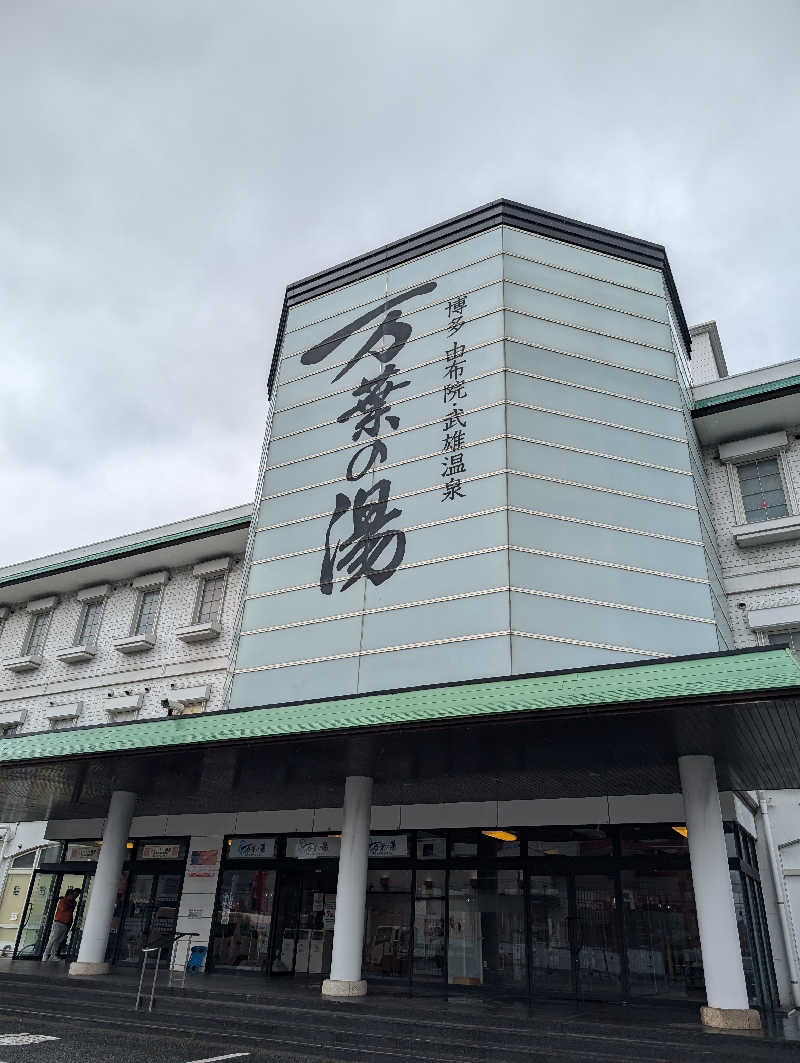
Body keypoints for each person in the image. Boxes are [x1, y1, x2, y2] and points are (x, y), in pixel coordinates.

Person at [41, 887, 81, 962]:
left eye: (75, 895)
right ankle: (45, 954)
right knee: (53, 939)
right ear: (68, 895)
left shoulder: (72, 902)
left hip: (66, 924)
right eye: (72, 895)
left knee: (58, 940)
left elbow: (70, 912)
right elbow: (63, 908)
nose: (74, 897)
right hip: (59, 922)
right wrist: (67, 901)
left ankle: (53, 955)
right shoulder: (63, 901)